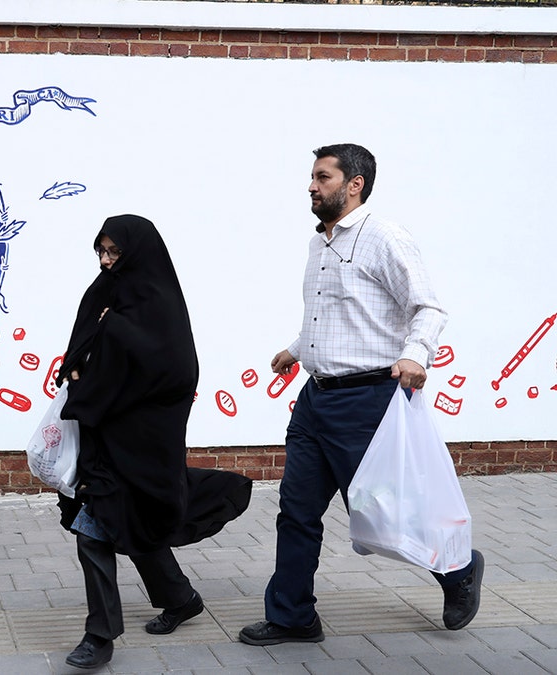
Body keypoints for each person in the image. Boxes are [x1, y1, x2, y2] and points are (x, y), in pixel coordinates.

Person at [238, 144, 484, 647]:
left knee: (385, 512)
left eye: (322, 177)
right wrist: (295, 349)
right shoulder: (319, 244)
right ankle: (292, 617)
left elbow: (429, 308)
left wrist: (416, 355)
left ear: (355, 184)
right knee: (296, 510)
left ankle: (458, 571)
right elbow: (332, 316)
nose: (311, 185)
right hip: (315, 400)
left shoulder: (384, 237)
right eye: (311, 176)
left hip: (368, 401)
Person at [55, 214, 252, 669]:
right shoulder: (104, 293)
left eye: (114, 253)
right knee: (126, 516)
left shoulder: (159, 305)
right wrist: (80, 369)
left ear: (137, 253)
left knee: (98, 528)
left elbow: (175, 375)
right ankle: (179, 598)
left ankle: (99, 636)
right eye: (100, 252)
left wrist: (107, 346)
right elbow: (80, 349)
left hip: (143, 437)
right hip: (101, 432)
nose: (106, 262)